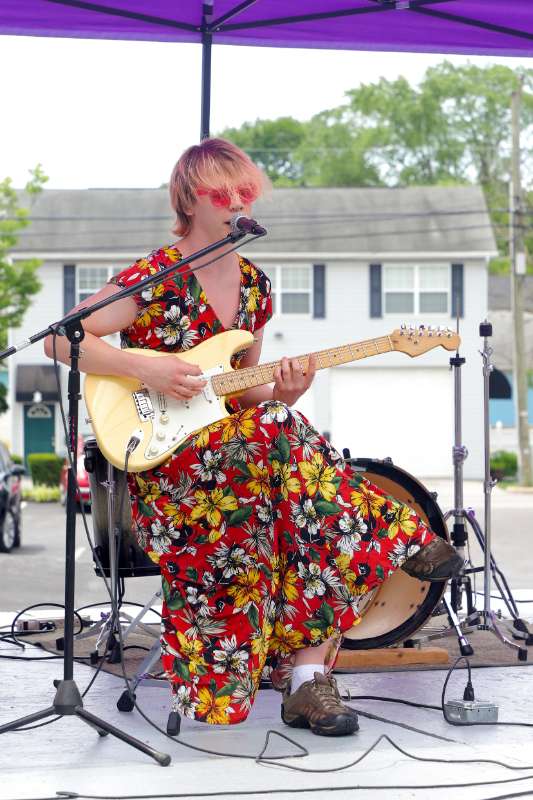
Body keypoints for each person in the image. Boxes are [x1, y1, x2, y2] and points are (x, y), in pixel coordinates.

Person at [44, 138, 461, 737]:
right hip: (172, 466)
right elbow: (61, 338)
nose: (238, 202)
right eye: (223, 193)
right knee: (284, 443)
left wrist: (284, 392)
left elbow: (242, 393)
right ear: (189, 199)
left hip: (239, 453)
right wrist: (146, 368)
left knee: (307, 510)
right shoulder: (154, 277)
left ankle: (308, 683)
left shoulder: (255, 287)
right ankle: (399, 535)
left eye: (246, 191)